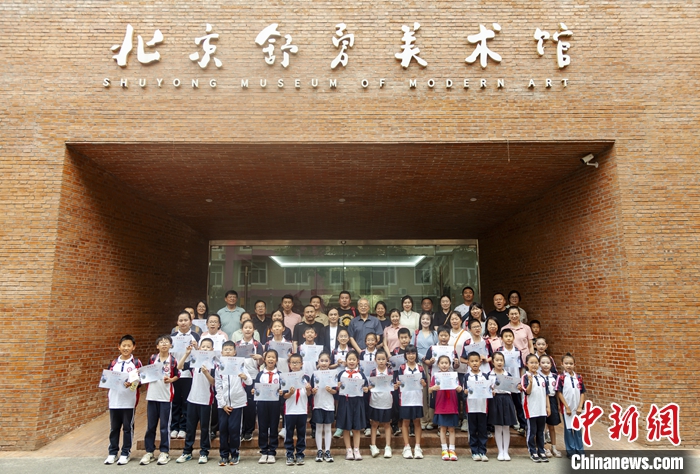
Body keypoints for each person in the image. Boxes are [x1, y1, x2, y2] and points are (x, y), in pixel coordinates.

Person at [140, 335, 179, 466]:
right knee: (151, 426)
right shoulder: (152, 358)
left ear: (170, 345)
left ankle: (164, 452)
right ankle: (149, 451)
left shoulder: (173, 360)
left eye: (166, 342)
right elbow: (146, 373)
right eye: (161, 342)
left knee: (164, 426)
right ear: (157, 346)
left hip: (166, 397)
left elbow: (177, 375)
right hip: (152, 396)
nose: (164, 344)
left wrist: (171, 379)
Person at [104, 335, 142, 465]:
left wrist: (131, 384)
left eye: (129, 346)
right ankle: (112, 452)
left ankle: (126, 452)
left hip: (129, 401)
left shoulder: (136, 363)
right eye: (123, 345)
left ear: (133, 347)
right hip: (114, 401)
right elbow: (107, 380)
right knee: (114, 428)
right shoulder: (113, 363)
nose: (126, 348)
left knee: (127, 428)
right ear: (118, 347)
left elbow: (139, 382)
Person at [176, 338, 215, 464]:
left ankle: (204, 452)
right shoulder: (194, 361)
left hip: (206, 400)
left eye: (208, 347)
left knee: (205, 428)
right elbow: (179, 367)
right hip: (192, 399)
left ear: (212, 349)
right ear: (199, 348)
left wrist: (206, 373)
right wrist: (187, 354)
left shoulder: (214, 364)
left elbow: (214, 382)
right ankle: (187, 451)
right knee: (190, 427)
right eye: (203, 346)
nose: (205, 349)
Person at [215, 341, 252, 466]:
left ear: (235, 352)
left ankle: (235, 454)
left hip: (237, 403)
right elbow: (218, 386)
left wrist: (244, 376)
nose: (228, 352)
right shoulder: (219, 367)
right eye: (225, 350)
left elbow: (249, 382)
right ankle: (223, 455)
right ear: (221, 352)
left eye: (230, 349)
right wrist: (223, 404)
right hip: (223, 404)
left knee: (234, 429)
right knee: (223, 430)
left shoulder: (241, 365)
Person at [170, 311, 201, 439]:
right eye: (180, 320)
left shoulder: (195, 336)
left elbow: (200, 355)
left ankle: (183, 427)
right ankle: (174, 427)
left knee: (186, 401)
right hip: (175, 374)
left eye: (185, 320)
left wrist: (197, 347)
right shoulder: (172, 336)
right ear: (177, 322)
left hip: (189, 373)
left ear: (190, 322)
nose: (183, 323)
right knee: (175, 401)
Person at [393, 344, 426, 459]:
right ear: (405, 355)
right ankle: (406, 447)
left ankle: (417, 447)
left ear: (416, 354)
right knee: (405, 422)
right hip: (405, 399)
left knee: (417, 422)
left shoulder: (420, 368)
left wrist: (423, 383)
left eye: (413, 353)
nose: (411, 356)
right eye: (408, 353)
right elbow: (397, 382)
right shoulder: (402, 368)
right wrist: (397, 384)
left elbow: (424, 383)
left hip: (417, 399)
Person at [429, 355, 463, 461]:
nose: (444, 365)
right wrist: (433, 388)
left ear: (450, 364)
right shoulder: (436, 376)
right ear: (438, 365)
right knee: (442, 428)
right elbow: (429, 390)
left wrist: (459, 388)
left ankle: (452, 450)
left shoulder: (454, 376)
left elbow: (459, 388)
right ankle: (444, 449)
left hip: (452, 405)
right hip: (441, 405)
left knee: (452, 429)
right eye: (442, 363)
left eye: (446, 363)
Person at [336, 351, 369, 460]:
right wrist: (338, 386)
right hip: (345, 402)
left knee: (356, 428)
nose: (351, 361)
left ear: (357, 361)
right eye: (349, 359)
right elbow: (336, 388)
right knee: (346, 427)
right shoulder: (341, 374)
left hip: (357, 402)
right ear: (346, 361)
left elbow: (366, 387)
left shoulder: (361, 374)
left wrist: (365, 389)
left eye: (354, 359)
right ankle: (348, 450)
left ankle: (356, 449)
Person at [236, 320, 264, 442]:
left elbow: (261, 363)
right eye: (245, 327)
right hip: (239, 377)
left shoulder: (258, 345)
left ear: (253, 330)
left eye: (250, 327)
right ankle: (240, 430)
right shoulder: (237, 344)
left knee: (251, 405)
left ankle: (249, 430)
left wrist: (260, 358)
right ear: (242, 330)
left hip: (253, 376)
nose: (247, 329)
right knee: (239, 404)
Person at [487, 351, 518, 461]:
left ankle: (506, 451)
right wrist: (490, 391)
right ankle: (500, 451)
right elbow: (486, 389)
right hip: (495, 400)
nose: (499, 362)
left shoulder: (508, 375)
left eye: (501, 360)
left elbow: (513, 388)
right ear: (493, 362)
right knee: (498, 426)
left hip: (506, 399)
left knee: (506, 426)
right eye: (497, 360)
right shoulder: (489, 375)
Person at [253, 349, 282, 464]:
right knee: (263, 427)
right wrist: (254, 391)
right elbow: (256, 388)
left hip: (275, 404)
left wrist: (281, 392)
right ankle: (264, 451)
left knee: (274, 427)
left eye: (273, 357)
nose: (271, 359)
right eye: (268, 357)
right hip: (262, 403)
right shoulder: (260, 374)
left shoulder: (280, 375)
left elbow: (283, 389)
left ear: (276, 360)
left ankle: (272, 452)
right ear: (264, 360)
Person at [282, 353, 312, 465]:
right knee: (289, 433)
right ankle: (289, 454)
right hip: (290, 410)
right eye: (292, 363)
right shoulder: (285, 377)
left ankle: (300, 454)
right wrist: (290, 393)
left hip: (302, 409)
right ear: (289, 364)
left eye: (297, 362)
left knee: (301, 433)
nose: (295, 365)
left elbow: (309, 394)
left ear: (301, 364)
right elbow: (284, 396)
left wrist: (308, 389)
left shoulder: (306, 377)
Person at [556, 353, 587, 458]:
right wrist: (566, 407)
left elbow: (582, 392)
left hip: (577, 408)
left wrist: (580, 406)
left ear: (574, 364)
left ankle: (580, 450)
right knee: (569, 429)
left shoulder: (579, 377)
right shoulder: (561, 377)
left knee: (578, 429)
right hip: (567, 409)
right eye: (566, 363)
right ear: (562, 364)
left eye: (571, 363)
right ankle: (571, 451)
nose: (568, 366)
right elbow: (559, 393)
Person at [521, 354, 551, 463]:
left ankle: (541, 450)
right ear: (526, 364)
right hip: (531, 409)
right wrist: (530, 382)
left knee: (540, 432)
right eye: (531, 363)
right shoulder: (525, 377)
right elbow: (527, 392)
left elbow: (546, 394)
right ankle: (532, 451)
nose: (534, 365)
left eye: (536, 363)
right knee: (532, 431)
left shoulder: (542, 377)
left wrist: (548, 407)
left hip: (541, 409)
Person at [463, 351, 492, 462]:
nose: (474, 363)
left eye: (476, 361)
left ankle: (482, 451)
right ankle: (474, 451)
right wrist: (465, 392)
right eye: (472, 361)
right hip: (471, 407)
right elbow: (464, 391)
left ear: (480, 362)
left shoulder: (485, 376)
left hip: (482, 407)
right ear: (468, 363)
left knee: (482, 430)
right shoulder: (466, 377)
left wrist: (491, 391)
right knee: (472, 430)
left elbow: (489, 390)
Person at [498, 328, 527, 434]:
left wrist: (521, 381)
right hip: (503, 380)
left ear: (513, 338)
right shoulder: (499, 350)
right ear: (502, 339)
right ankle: (504, 424)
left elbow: (521, 367)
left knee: (517, 403)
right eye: (506, 336)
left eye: (510, 336)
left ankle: (523, 425)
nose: (508, 338)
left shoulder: (517, 351)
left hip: (515, 380)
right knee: (503, 402)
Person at [311, 352, 337, 462]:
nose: (324, 363)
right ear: (318, 361)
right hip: (318, 404)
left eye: (326, 361)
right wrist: (313, 391)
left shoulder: (333, 374)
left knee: (327, 428)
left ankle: (327, 451)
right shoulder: (315, 375)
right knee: (318, 428)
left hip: (329, 405)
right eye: (322, 361)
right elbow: (311, 391)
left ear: (330, 362)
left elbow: (335, 391)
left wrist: (331, 390)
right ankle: (319, 451)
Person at [447, 310, 471, 432]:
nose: (454, 321)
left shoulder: (466, 335)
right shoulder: (447, 333)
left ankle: (465, 419)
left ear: (461, 320)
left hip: (463, 370)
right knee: (454, 396)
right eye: (452, 319)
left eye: (456, 318)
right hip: (450, 370)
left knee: (464, 395)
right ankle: (455, 418)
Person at [367, 349, 393, 459]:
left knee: (387, 424)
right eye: (379, 359)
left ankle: (388, 446)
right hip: (375, 401)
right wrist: (368, 388)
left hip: (387, 401)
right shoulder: (373, 372)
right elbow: (370, 386)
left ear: (387, 359)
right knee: (374, 424)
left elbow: (393, 385)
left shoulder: (390, 372)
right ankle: (373, 445)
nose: (381, 361)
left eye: (383, 359)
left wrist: (396, 386)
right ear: (375, 360)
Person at [414, 312, 437, 430]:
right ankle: (423, 419)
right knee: (422, 392)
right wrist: (424, 358)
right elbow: (413, 349)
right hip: (420, 364)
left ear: (431, 321)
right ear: (420, 320)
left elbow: (437, 347)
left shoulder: (434, 333)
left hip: (432, 365)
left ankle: (432, 420)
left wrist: (430, 360)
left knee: (431, 391)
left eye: (428, 319)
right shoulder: (416, 333)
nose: (425, 321)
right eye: (423, 319)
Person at [389, 328, 412, 436]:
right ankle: (394, 425)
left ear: (410, 338)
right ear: (398, 339)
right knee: (395, 403)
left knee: (410, 403)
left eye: (406, 337)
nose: (404, 340)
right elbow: (391, 366)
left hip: (409, 382)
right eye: (402, 338)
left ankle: (412, 426)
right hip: (397, 381)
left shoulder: (412, 350)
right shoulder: (395, 351)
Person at [539, 354, 562, 458]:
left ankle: (554, 447)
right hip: (541, 401)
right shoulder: (538, 375)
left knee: (551, 426)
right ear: (539, 364)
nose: (545, 365)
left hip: (552, 400)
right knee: (542, 426)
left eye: (548, 363)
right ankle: (545, 448)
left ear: (551, 364)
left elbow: (557, 392)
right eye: (543, 363)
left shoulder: (555, 376)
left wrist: (558, 404)